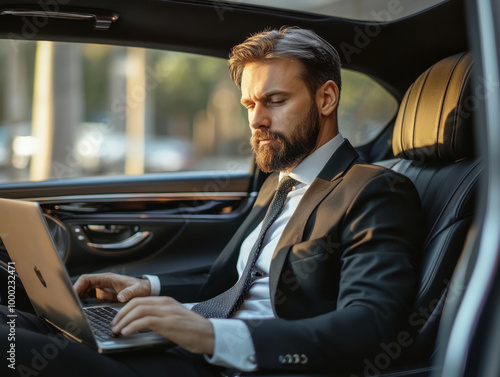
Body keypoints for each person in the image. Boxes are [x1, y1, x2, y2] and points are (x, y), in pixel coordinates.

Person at [0, 26, 422, 376]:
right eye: (250, 104)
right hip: (195, 349)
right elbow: (239, 283)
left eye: (275, 101)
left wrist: (209, 335)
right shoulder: (282, 182)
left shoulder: (374, 190)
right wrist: (149, 288)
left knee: (11, 348)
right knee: (18, 322)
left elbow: (370, 326)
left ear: (326, 98)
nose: (257, 120)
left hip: (240, 364)